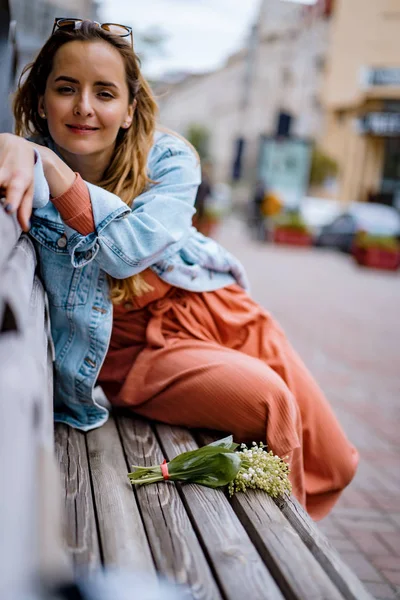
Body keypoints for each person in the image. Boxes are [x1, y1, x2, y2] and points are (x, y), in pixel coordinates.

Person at [0, 19, 358, 521]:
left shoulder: (167, 157)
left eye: (104, 92)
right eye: (66, 89)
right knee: (272, 405)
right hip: (134, 349)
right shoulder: (25, 173)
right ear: (41, 102)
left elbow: (128, 248)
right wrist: (39, 161)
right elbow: (115, 259)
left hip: (216, 307)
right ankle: (287, 560)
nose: (84, 106)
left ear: (128, 111)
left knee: (337, 463)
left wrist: (53, 168)